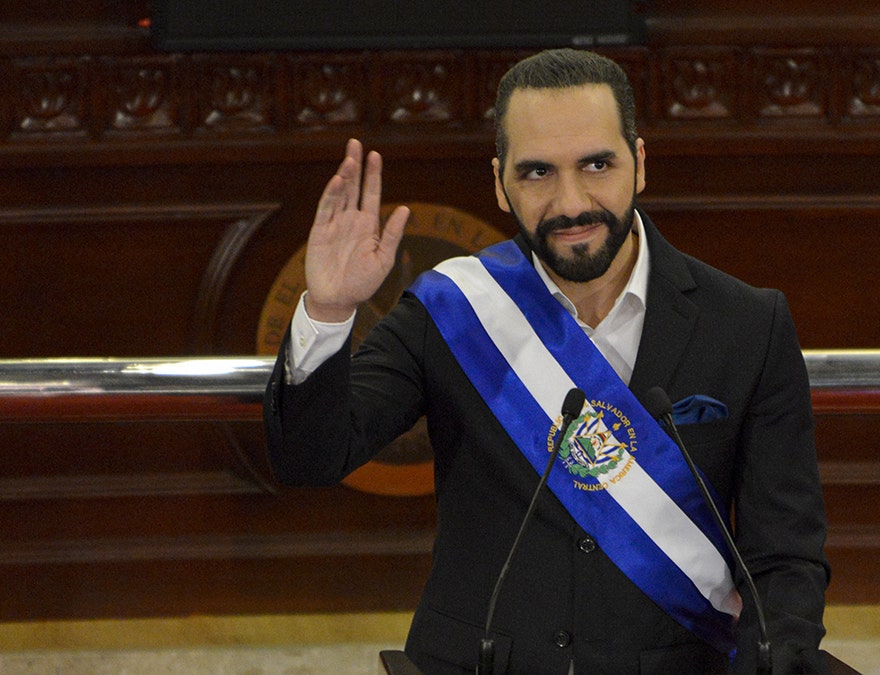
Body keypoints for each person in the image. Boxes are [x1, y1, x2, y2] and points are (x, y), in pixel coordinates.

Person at [264, 48, 830, 674]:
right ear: (499, 183)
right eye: (537, 173)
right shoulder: (453, 310)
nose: (570, 203)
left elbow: (785, 556)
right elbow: (311, 458)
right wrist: (329, 310)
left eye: (596, 165)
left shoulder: (747, 324)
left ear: (639, 165)